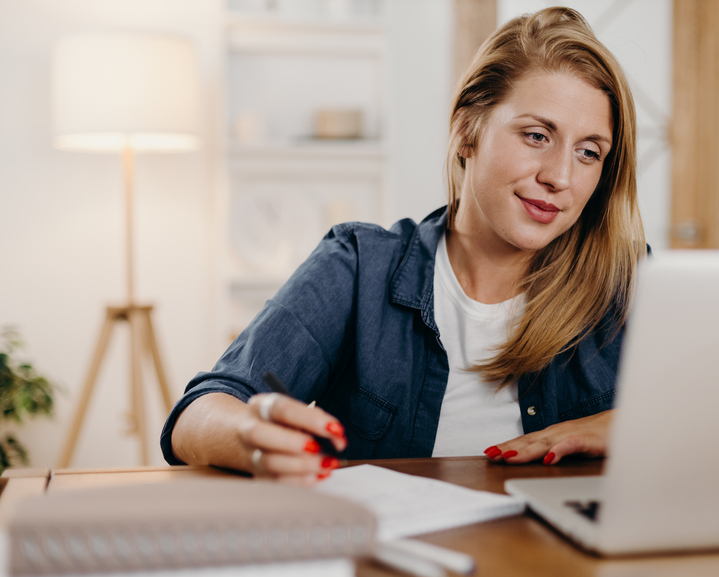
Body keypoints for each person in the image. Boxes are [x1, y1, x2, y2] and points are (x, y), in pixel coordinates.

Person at [161, 6, 645, 485]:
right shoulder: (359, 268)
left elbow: (716, 424)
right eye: (537, 136)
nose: (560, 176)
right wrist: (250, 434)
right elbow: (198, 414)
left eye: (588, 152)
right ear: (465, 132)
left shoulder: (632, 286)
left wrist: (631, 427)